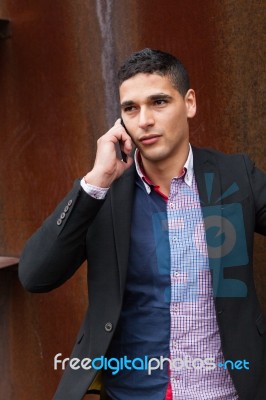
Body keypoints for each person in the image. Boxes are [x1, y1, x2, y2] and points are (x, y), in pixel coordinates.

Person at [19, 48, 266, 400]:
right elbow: (35, 275)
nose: (144, 120)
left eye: (159, 102)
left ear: (190, 103)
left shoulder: (234, 176)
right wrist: (95, 182)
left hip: (225, 391)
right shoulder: (103, 195)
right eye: (130, 108)